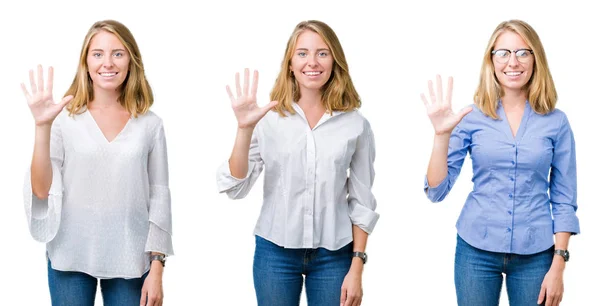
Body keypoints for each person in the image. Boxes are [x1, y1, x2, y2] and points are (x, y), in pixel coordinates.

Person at [216, 20, 379, 306]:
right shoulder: (267, 118)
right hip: (274, 253)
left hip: (335, 256)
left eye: (322, 53)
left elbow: (362, 201)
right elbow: (235, 187)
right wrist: (244, 129)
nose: (312, 62)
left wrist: (357, 266)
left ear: (335, 61)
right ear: (290, 63)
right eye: (302, 53)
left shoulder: (356, 124)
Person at [421, 19, 579, 306]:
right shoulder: (470, 116)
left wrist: (559, 262)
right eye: (503, 53)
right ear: (491, 60)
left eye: (523, 52)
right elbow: (436, 191)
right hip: (475, 251)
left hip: (537, 253)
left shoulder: (557, 122)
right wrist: (441, 135)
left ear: (535, 59)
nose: (513, 62)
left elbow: (564, 198)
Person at [21, 20, 173, 306]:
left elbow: (160, 196)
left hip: (130, 257)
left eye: (118, 53)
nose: (108, 63)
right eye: (98, 53)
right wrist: (42, 126)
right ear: (86, 62)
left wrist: (157, 267)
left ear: (131, 61)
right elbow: (41, 191)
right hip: (70, 254)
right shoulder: (62, 119)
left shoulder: (150, 125)